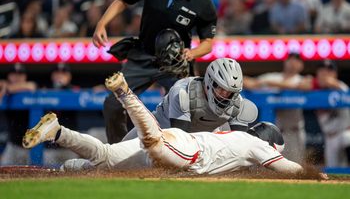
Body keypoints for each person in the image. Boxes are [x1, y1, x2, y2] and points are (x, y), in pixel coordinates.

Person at [22, 72, 321, 178]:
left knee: (103, 157)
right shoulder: (254, 145)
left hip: (182, 147)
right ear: (267, 142)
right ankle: (125, 93)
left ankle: (57, 132)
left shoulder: (236, 140)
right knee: (153, 141)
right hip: (186, 149)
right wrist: (313, 176)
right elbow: (288, 168)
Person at [92, 0, 217, 143]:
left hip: (175, 64)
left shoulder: (203, 2)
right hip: (143, 55)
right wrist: (101, 23)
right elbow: (123, 0)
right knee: (112, 103)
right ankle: (118, 152)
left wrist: (192, 53)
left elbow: (208, 43)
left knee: (188, 108)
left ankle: (184, 153)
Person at [122, 57, 258, 141]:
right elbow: (180, 141)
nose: (224, 94)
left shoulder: (237, 103)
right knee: (117, 157)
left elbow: (241, 144)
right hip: (159, 132)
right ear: (210, 82)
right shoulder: (184, 92)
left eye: (229, 92)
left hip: (203, 140)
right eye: (220, 88)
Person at [244, 52, 306, 163]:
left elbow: (307, 85)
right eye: (290, 59)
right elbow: (246, 82)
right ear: (285, 62)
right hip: (276, 133)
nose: (292, 62)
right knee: (274, 167)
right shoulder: (274, 77)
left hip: (294, 132)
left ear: (301, 64)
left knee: (297, 166)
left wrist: (271, 84)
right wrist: (262, 83)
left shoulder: (301, 79)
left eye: (296, 60)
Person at [297, 59, 350, 167]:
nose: (325, 74)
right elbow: (301, 86)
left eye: (329, 71)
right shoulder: (314, 87)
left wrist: (333, 83)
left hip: (344, 132)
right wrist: (309, 81)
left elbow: (344, 91)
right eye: (322, 71)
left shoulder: (340, 86)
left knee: (347, 138)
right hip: (329, 138)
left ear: (335, 74)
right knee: (333, 170)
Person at [1, 63, 37, 165]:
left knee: (36, 174)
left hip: (31, 147)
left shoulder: (29, 87)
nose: (17, 77)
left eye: (20, 74)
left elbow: (32, 86)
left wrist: (8, 88)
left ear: (25, 76)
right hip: (13, 145)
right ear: (9, 76)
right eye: (14, 74)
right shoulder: (4, 88)